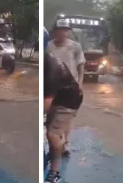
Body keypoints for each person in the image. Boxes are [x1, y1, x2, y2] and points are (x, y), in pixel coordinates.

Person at [46, 19, 85, 156]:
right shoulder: (48, 46)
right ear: (55, 31)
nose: (63, 32)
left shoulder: (75, 47)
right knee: (51, 116)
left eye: (65, 30)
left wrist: (80, 84)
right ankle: (53, 144)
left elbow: (81, 67)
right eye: (60, 29)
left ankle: (66, 143)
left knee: (66, 118)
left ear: (69, 31)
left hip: (70, 87)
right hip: (52, 87)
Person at [44, 48, 83, 182]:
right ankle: (53, 152)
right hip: (57, 95)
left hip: (69, 99)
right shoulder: (46, 61)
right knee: (48, 127)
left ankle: (54, 172)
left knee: (53, 134)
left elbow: (45, 105)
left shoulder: (51, 70)